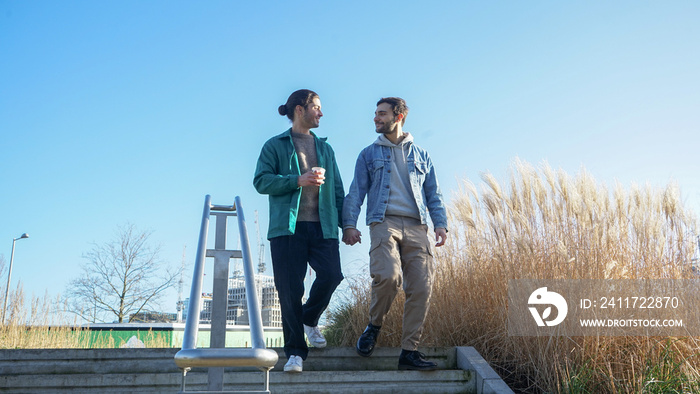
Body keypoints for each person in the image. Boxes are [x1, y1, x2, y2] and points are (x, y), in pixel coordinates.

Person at [342, 97, 448, 371]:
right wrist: (349, 224)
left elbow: (433, 194)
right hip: (383, 222)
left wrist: (440, 224)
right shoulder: (368, 154)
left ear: (398, 116)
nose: (376, 118)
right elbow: (356, 192)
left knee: (422, 288)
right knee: (389, 277)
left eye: (381, 114)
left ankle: (409, 352)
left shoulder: (422, 155)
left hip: (416, 226)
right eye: (375, 114)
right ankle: (374, 326)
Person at [254, 89, 345, 373]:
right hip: (287, 229)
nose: (320, 112)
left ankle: (309, 318)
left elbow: (338, 191)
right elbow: (261, 181)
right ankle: (295, 352)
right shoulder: (275, 145)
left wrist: (348, 225)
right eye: (316, 107)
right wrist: (298, 180)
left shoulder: (326, 149)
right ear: (299, 110)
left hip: (323, 226)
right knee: (290, 290)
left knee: (332, 275)